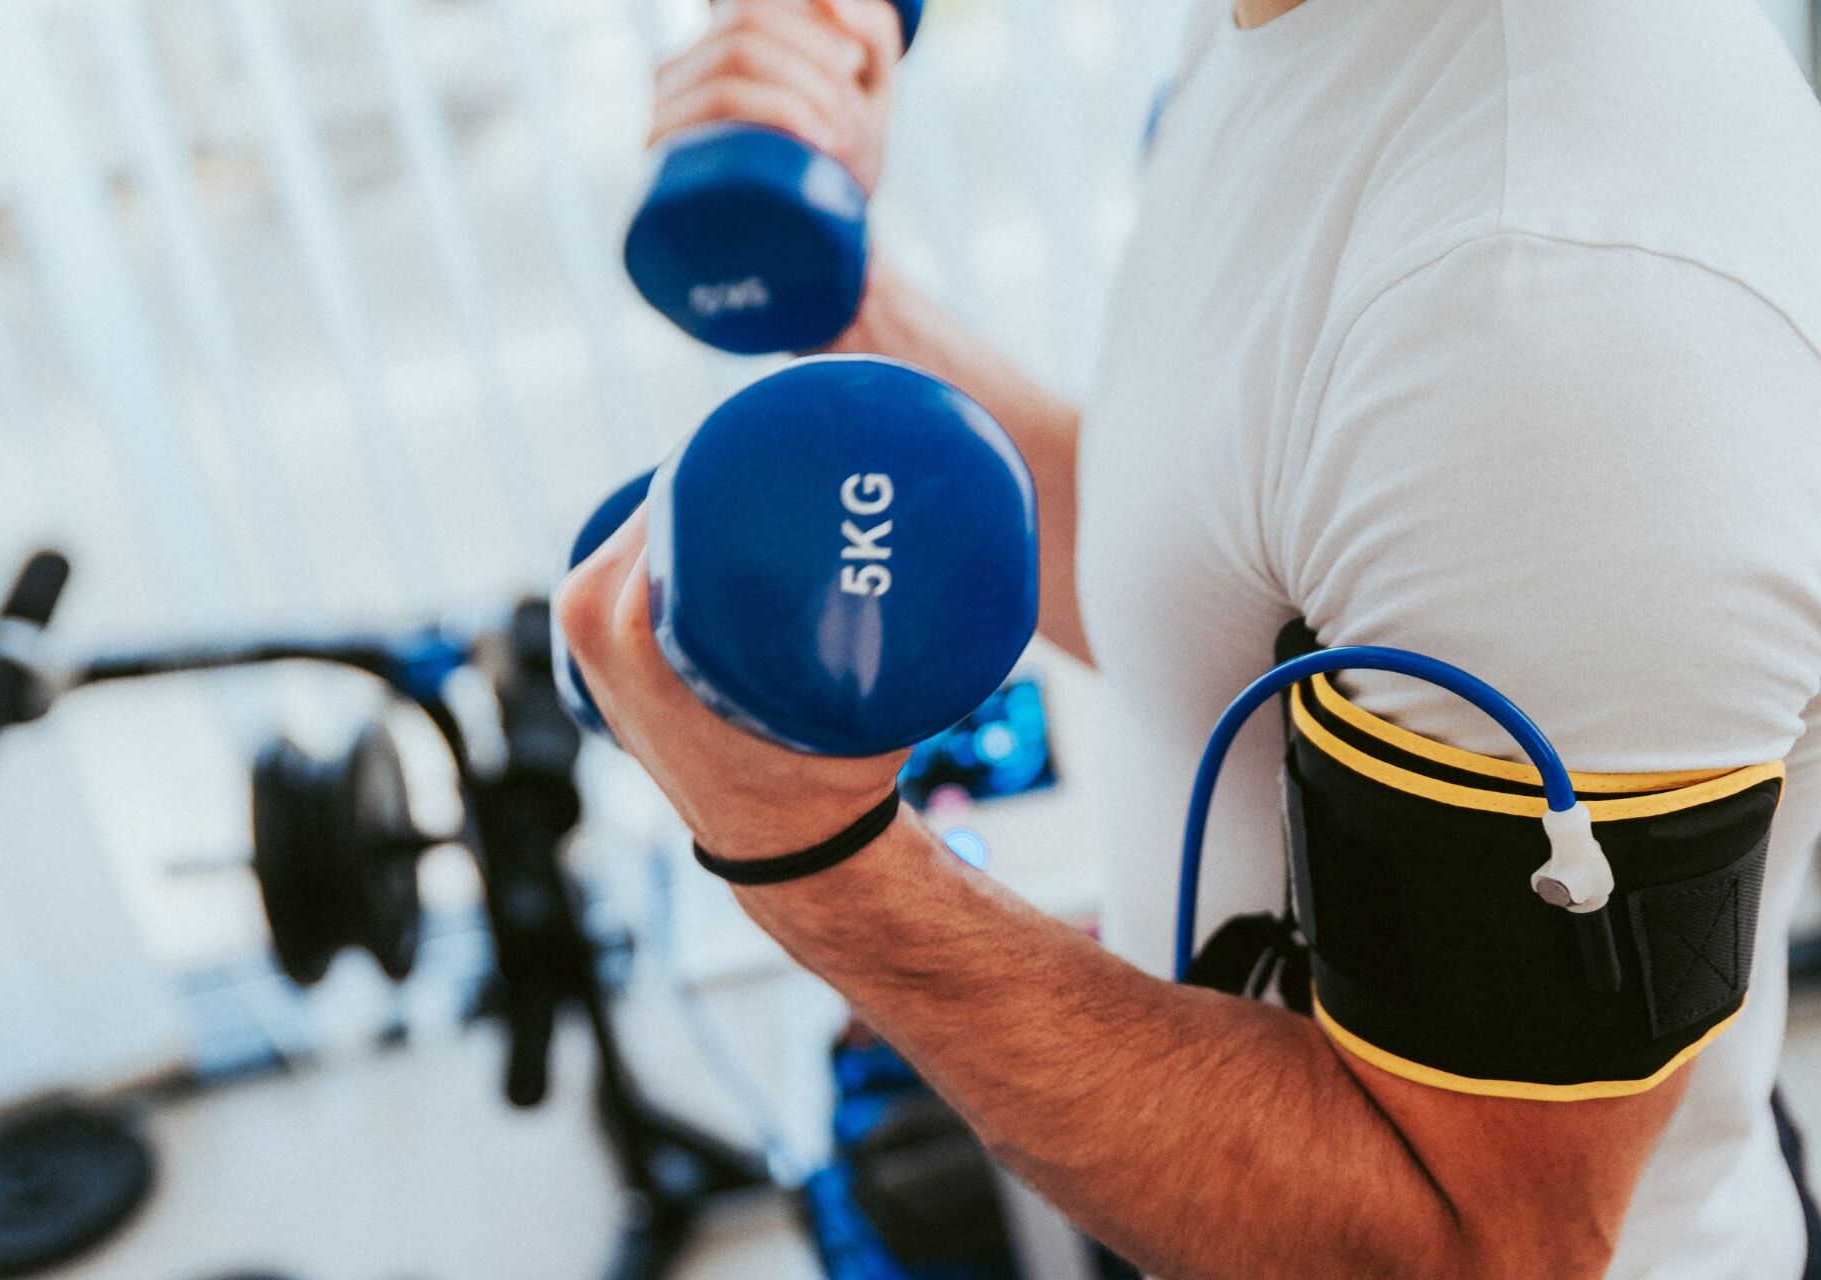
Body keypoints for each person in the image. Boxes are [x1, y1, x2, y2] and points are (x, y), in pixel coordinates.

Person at [557, 0, 1821, 1274]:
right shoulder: (1280, 29)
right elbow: (1204, 573)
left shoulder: (1555, 301)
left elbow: (1471, 1241)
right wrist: (841, 299)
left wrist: (816, 857)